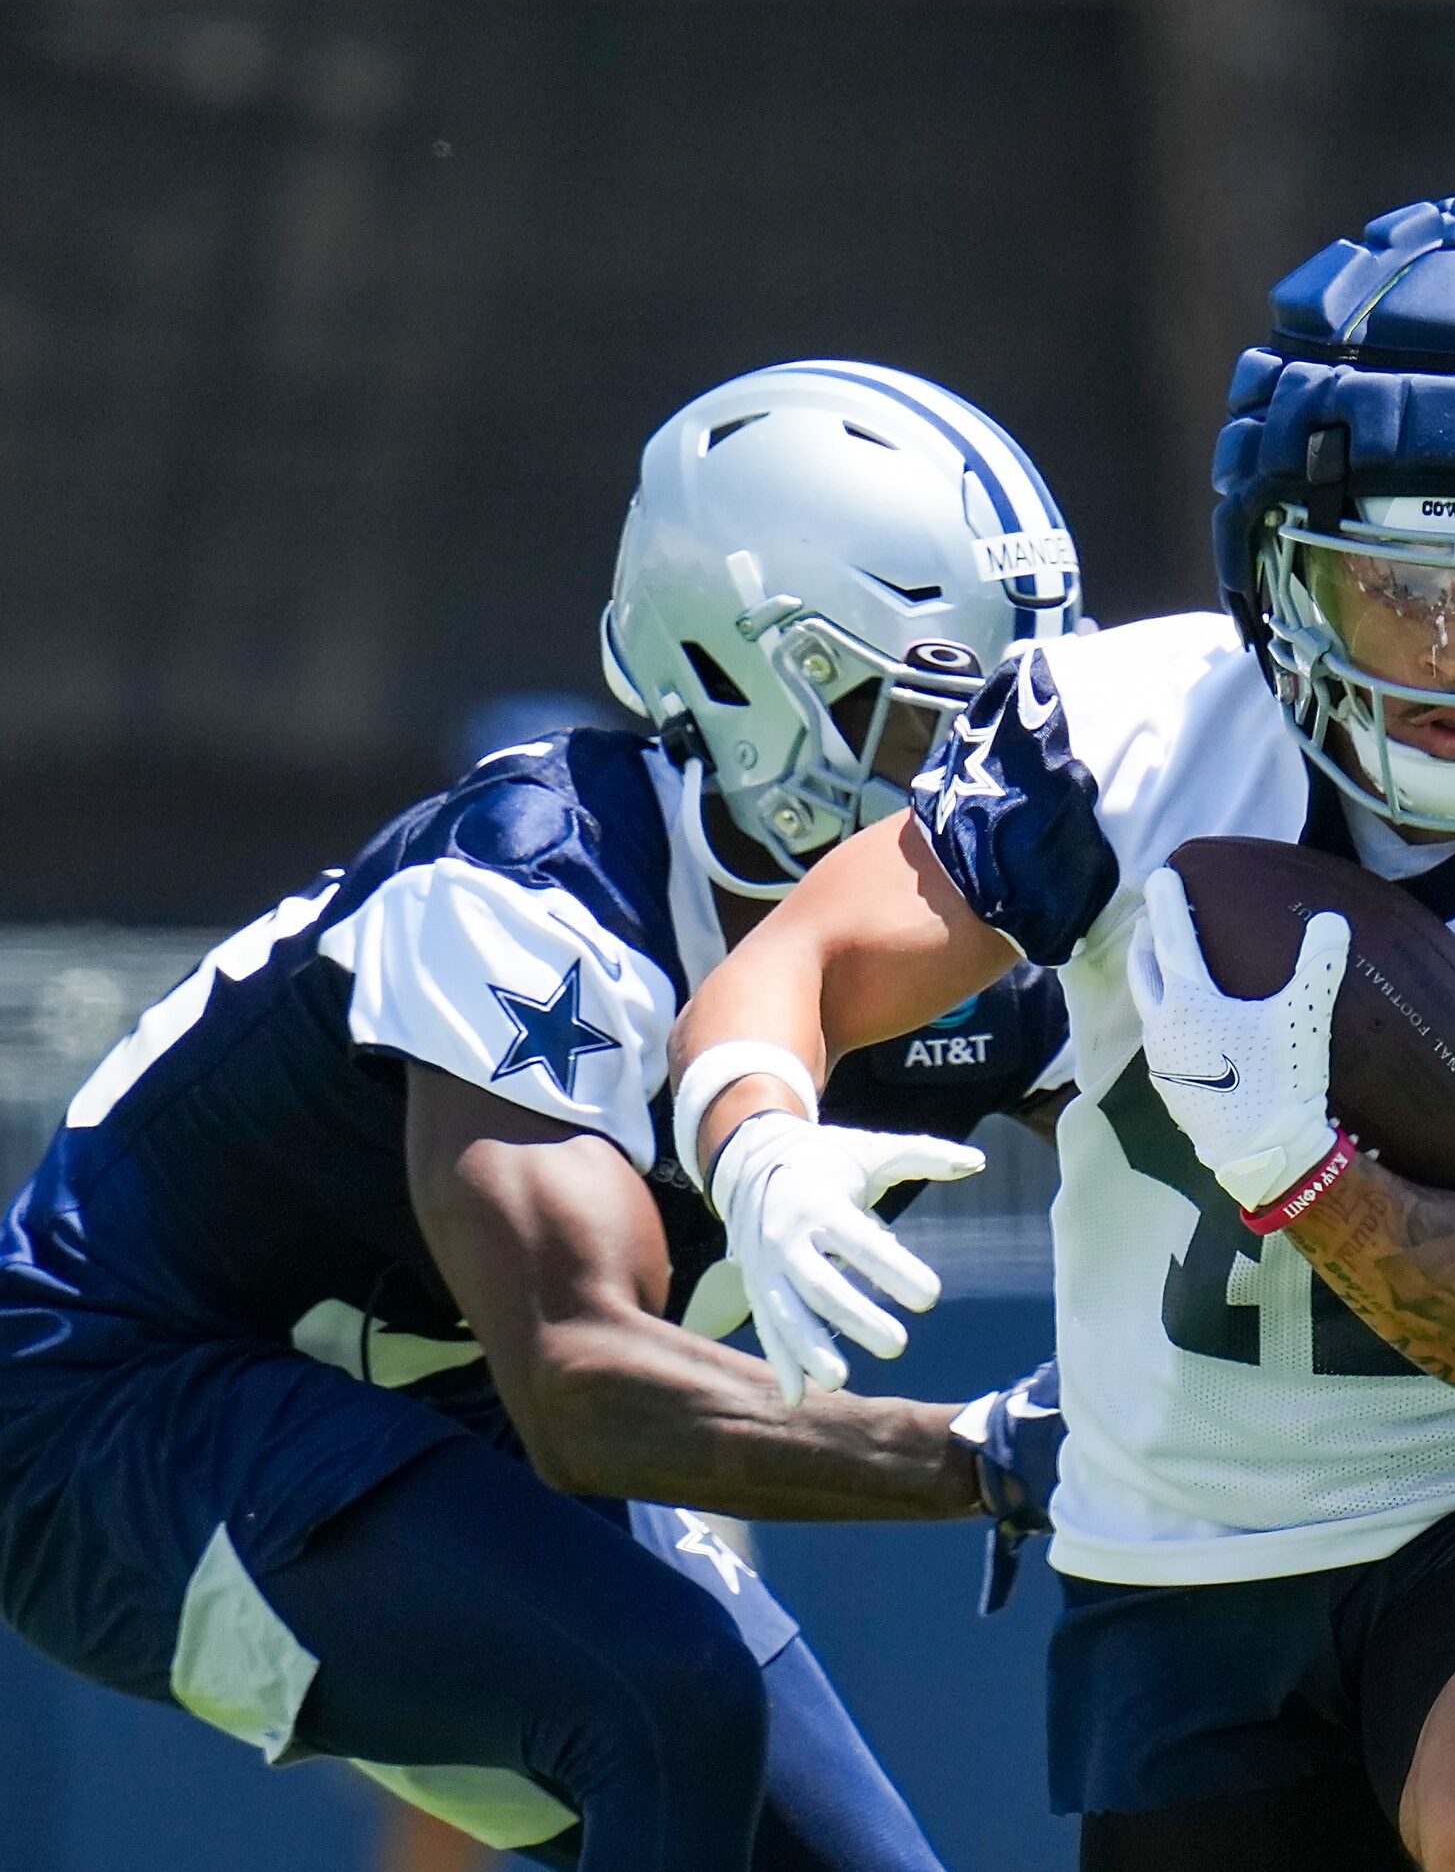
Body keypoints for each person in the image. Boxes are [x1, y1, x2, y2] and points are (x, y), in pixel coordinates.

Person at [668, 198, 1455, 1872]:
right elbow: (798, 959)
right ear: (1280, 566)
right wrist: (757, 1136)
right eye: (1395, 591)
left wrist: (1309, 1175)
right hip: (1182, 1536)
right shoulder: (1126, 741)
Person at [0, 361, 1075, 1871]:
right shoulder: (531, 891)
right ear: (738, 672)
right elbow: (583, 1390)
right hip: (125, 1399)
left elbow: (1201, 1153)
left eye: (1006, 730)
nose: (975, 787)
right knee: (663, 1696)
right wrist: (981, 1450)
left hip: (448, 1409)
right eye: (919, 727)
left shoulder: (975, 933)